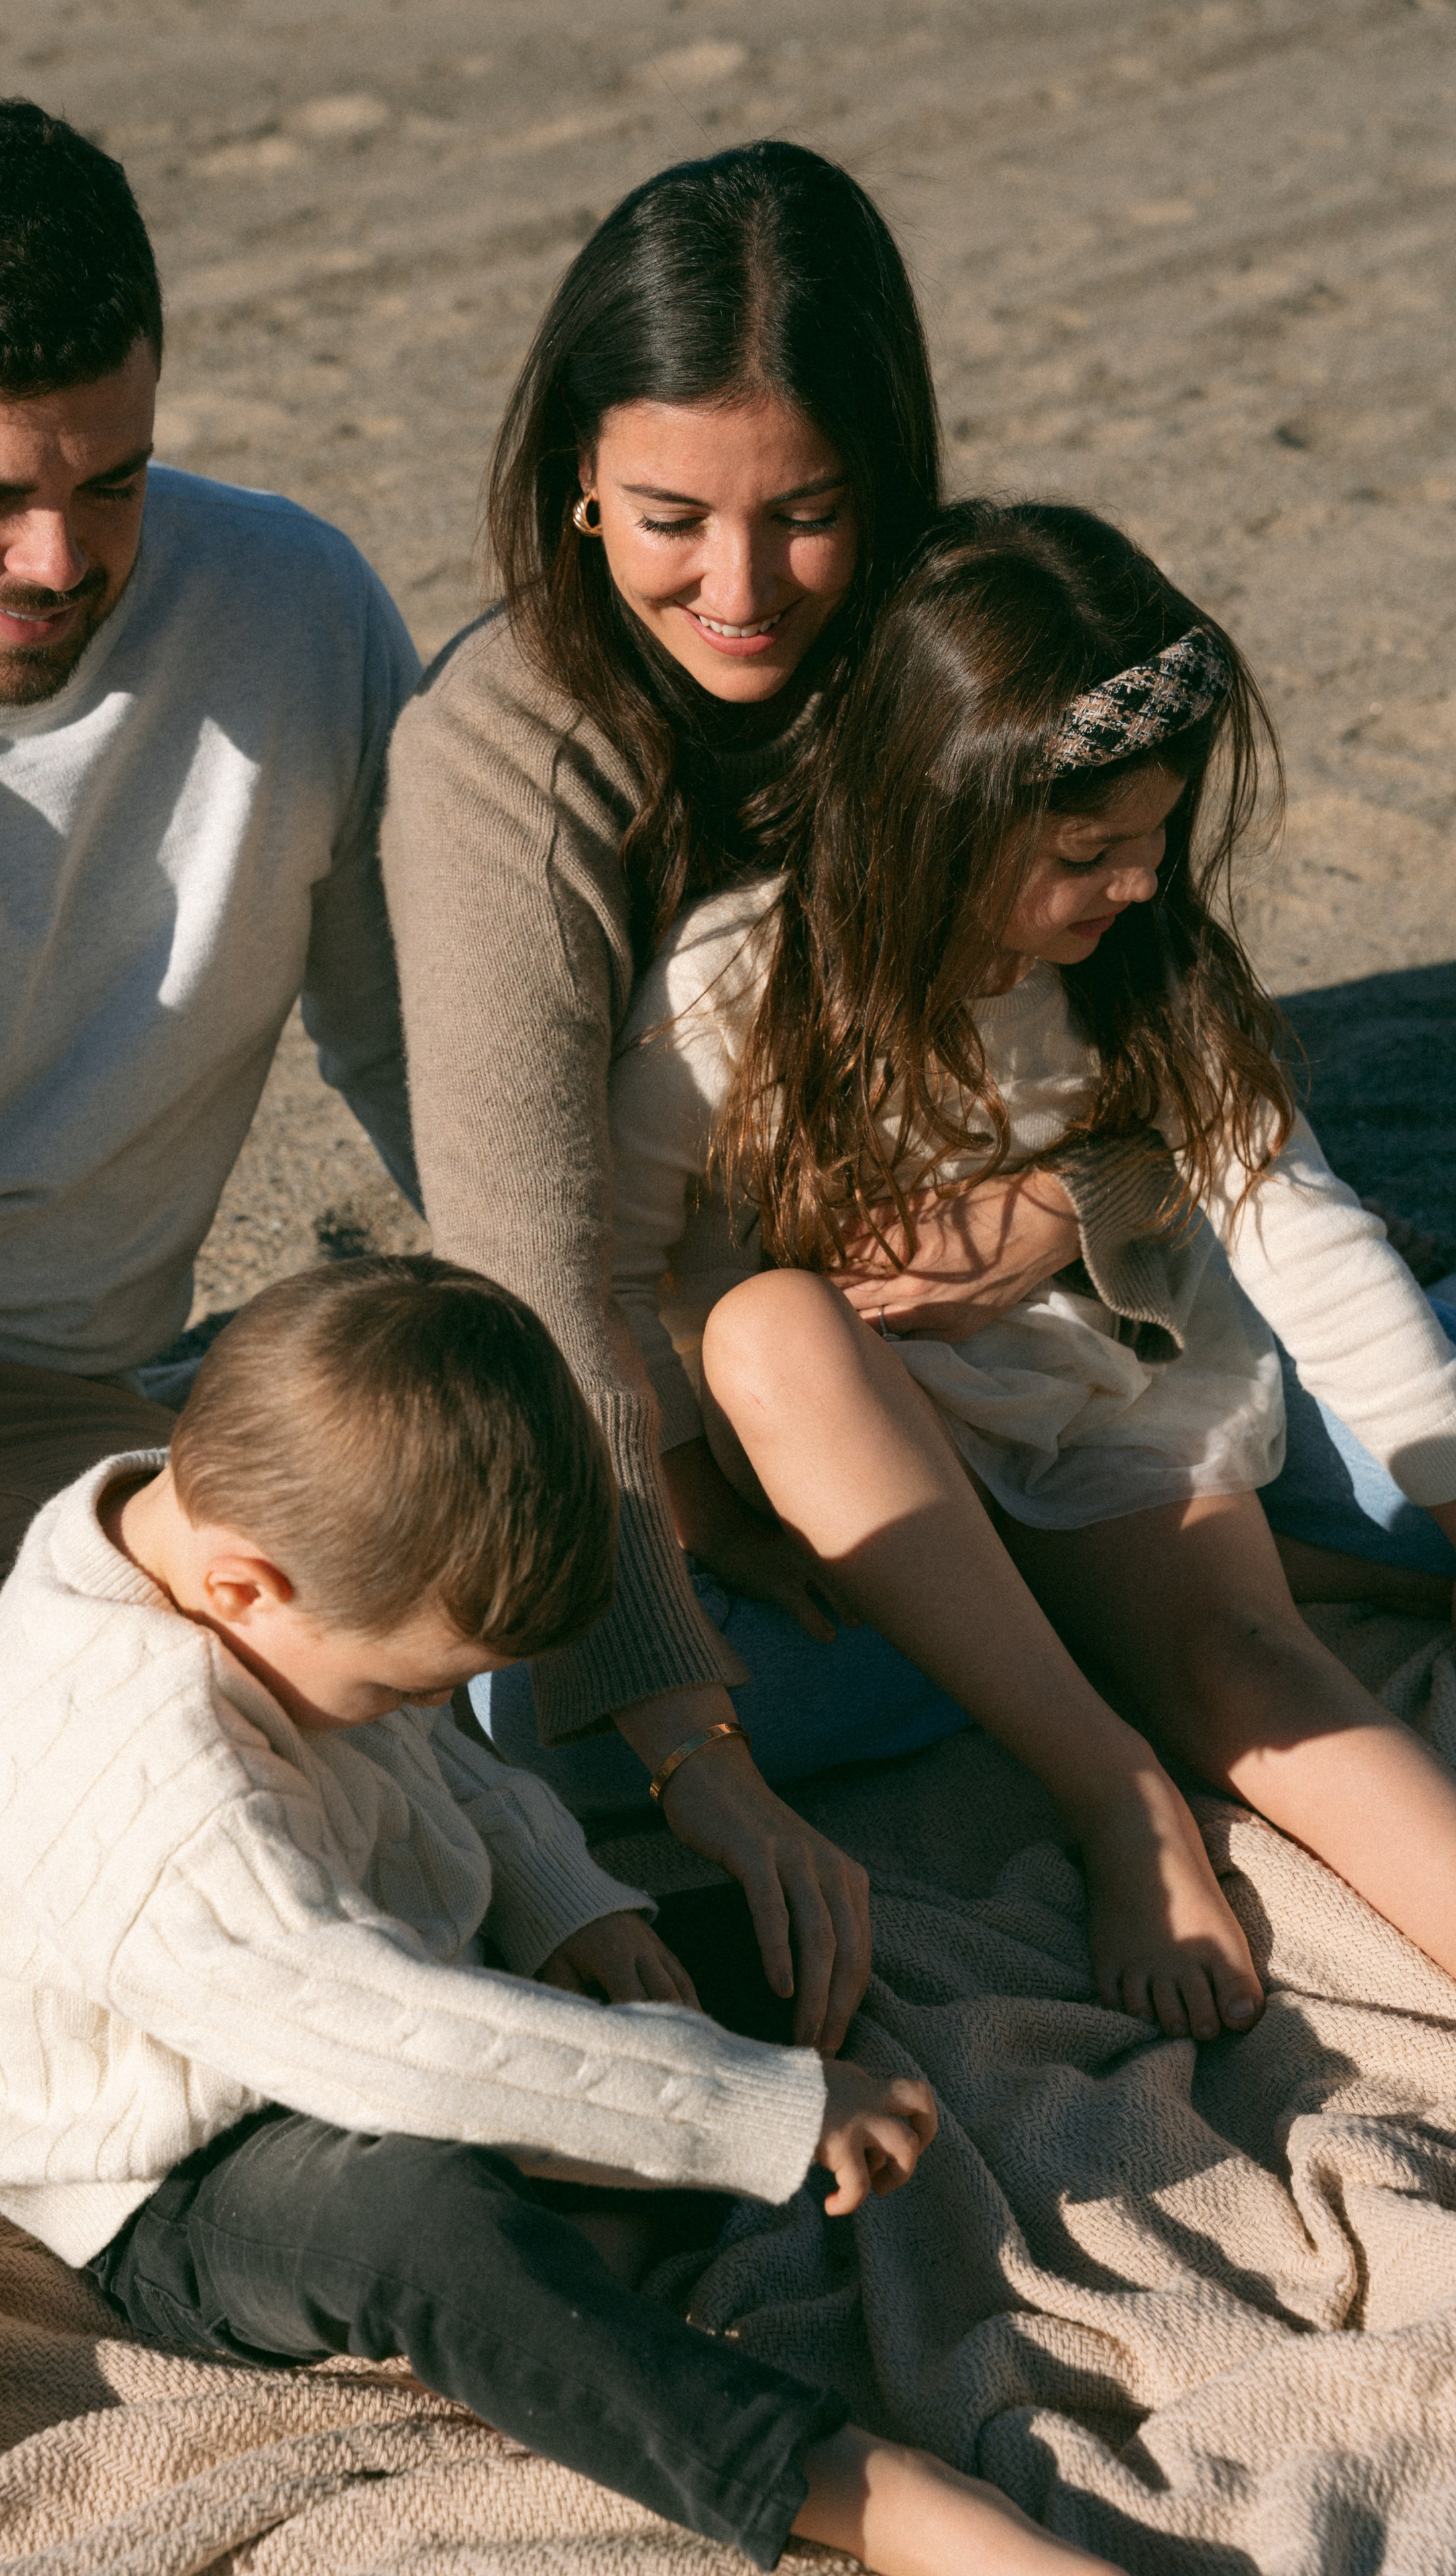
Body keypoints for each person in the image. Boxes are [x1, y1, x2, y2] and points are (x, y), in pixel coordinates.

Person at [382, 135, 1455, 2044]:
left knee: (1316, 1537)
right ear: (572, 481)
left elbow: (1229, 1146)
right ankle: (1090, 1703)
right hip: (759, 1440)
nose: (741, 586)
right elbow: (560, 1278)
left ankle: (1175, 1613)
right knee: (508, 1711)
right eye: (667, 517)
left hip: (1099, 1358)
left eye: (805, 512)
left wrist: (1065, 1208)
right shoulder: (536, 797)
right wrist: (695, 1632)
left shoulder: (964, 671)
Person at [0, 98, 418, 2519]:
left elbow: (454, 1110)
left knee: (202, 1800)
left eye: (111, 475)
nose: (61, 557)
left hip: (36, 1402)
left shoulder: (292, 606)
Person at [0, 1254, 1117, 2576]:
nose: (423, 1713)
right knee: (426, 2229)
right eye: (397, 1686)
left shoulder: (228, 1528)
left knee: (721, 1968)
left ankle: (585, 2224)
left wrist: (565, 1906)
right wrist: (751, 2110)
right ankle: (860, 2495)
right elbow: (392, 2043)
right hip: (185, 2169)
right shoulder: (152, 1798)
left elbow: (440, 1765)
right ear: (246, 1589)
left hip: (360, 1967)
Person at [604, 497, 1456, 2041]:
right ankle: (1111, 1789)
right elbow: (606, 1265)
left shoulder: (1145, 970)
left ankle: (1207, 1627)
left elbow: (1304, 1237)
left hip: (1096, 1393)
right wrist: (701, 1510)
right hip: (852, 1456)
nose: (1135, 882)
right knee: (769, 1324)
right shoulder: (734, 983)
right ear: (932, 814)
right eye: (1086, 850)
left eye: (1152, 837)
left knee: (1247, 1660)